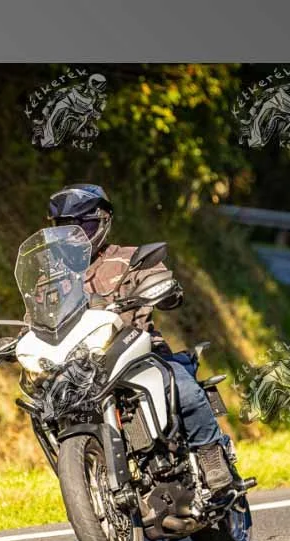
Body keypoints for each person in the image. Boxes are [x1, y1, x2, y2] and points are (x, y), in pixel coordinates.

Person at [45, 184, 239, 497]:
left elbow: (163, 284)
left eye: (84, 227)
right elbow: (39, 316)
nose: (74, 237)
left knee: (181, 385)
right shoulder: (52, 277)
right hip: (83, 368)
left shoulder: (131, 258)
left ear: (104, 222)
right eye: (65, 229)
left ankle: (210, 452)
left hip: (140, 353)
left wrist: (164, 289)